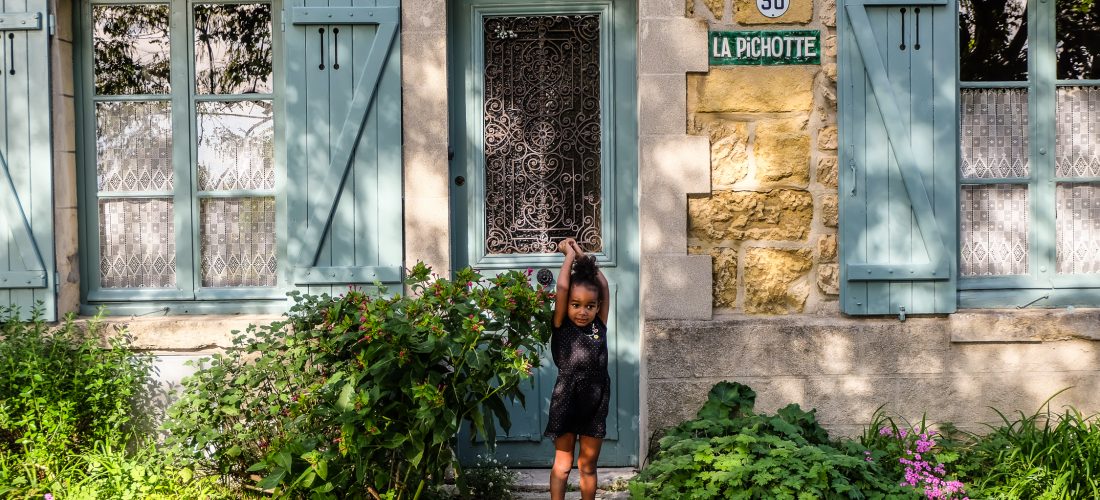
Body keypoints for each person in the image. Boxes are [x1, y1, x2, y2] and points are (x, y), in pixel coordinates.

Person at [545, 237, 611, 500]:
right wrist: (568, 256)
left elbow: (603, 285)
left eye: (589, 306)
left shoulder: (599, 325)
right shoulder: (562, 324)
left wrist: (582, 254)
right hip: (567, 399)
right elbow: (562, 287)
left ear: (597, 307)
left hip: (596, 401)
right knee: (563, 466)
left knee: (587, 466)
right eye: (576, 305)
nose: (582, 311)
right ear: (567, 305)